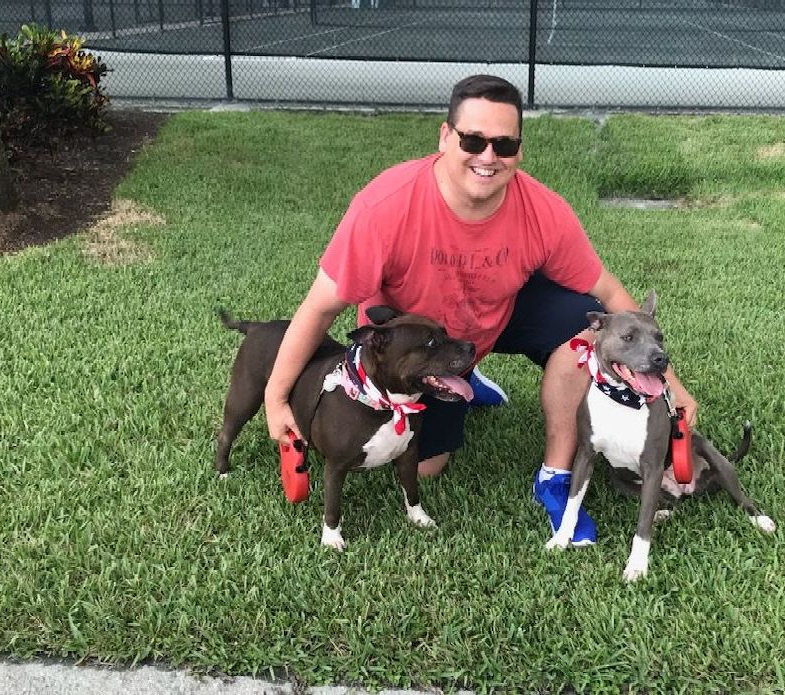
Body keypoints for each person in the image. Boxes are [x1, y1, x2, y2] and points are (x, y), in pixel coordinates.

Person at [264, 74, 697, 545]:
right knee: (426, 466)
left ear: (519, 150)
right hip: (418, 348)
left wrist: (667, 389)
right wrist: (275, 397)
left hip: (495, 314)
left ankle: (554, 476)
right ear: (446, 136)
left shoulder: (544, 211)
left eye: (504, 144)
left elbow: (612, 297)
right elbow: (319, 308)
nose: (488, 156)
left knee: (584, 325)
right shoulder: (384, 206)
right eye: (473, 139)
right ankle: (461, 378)